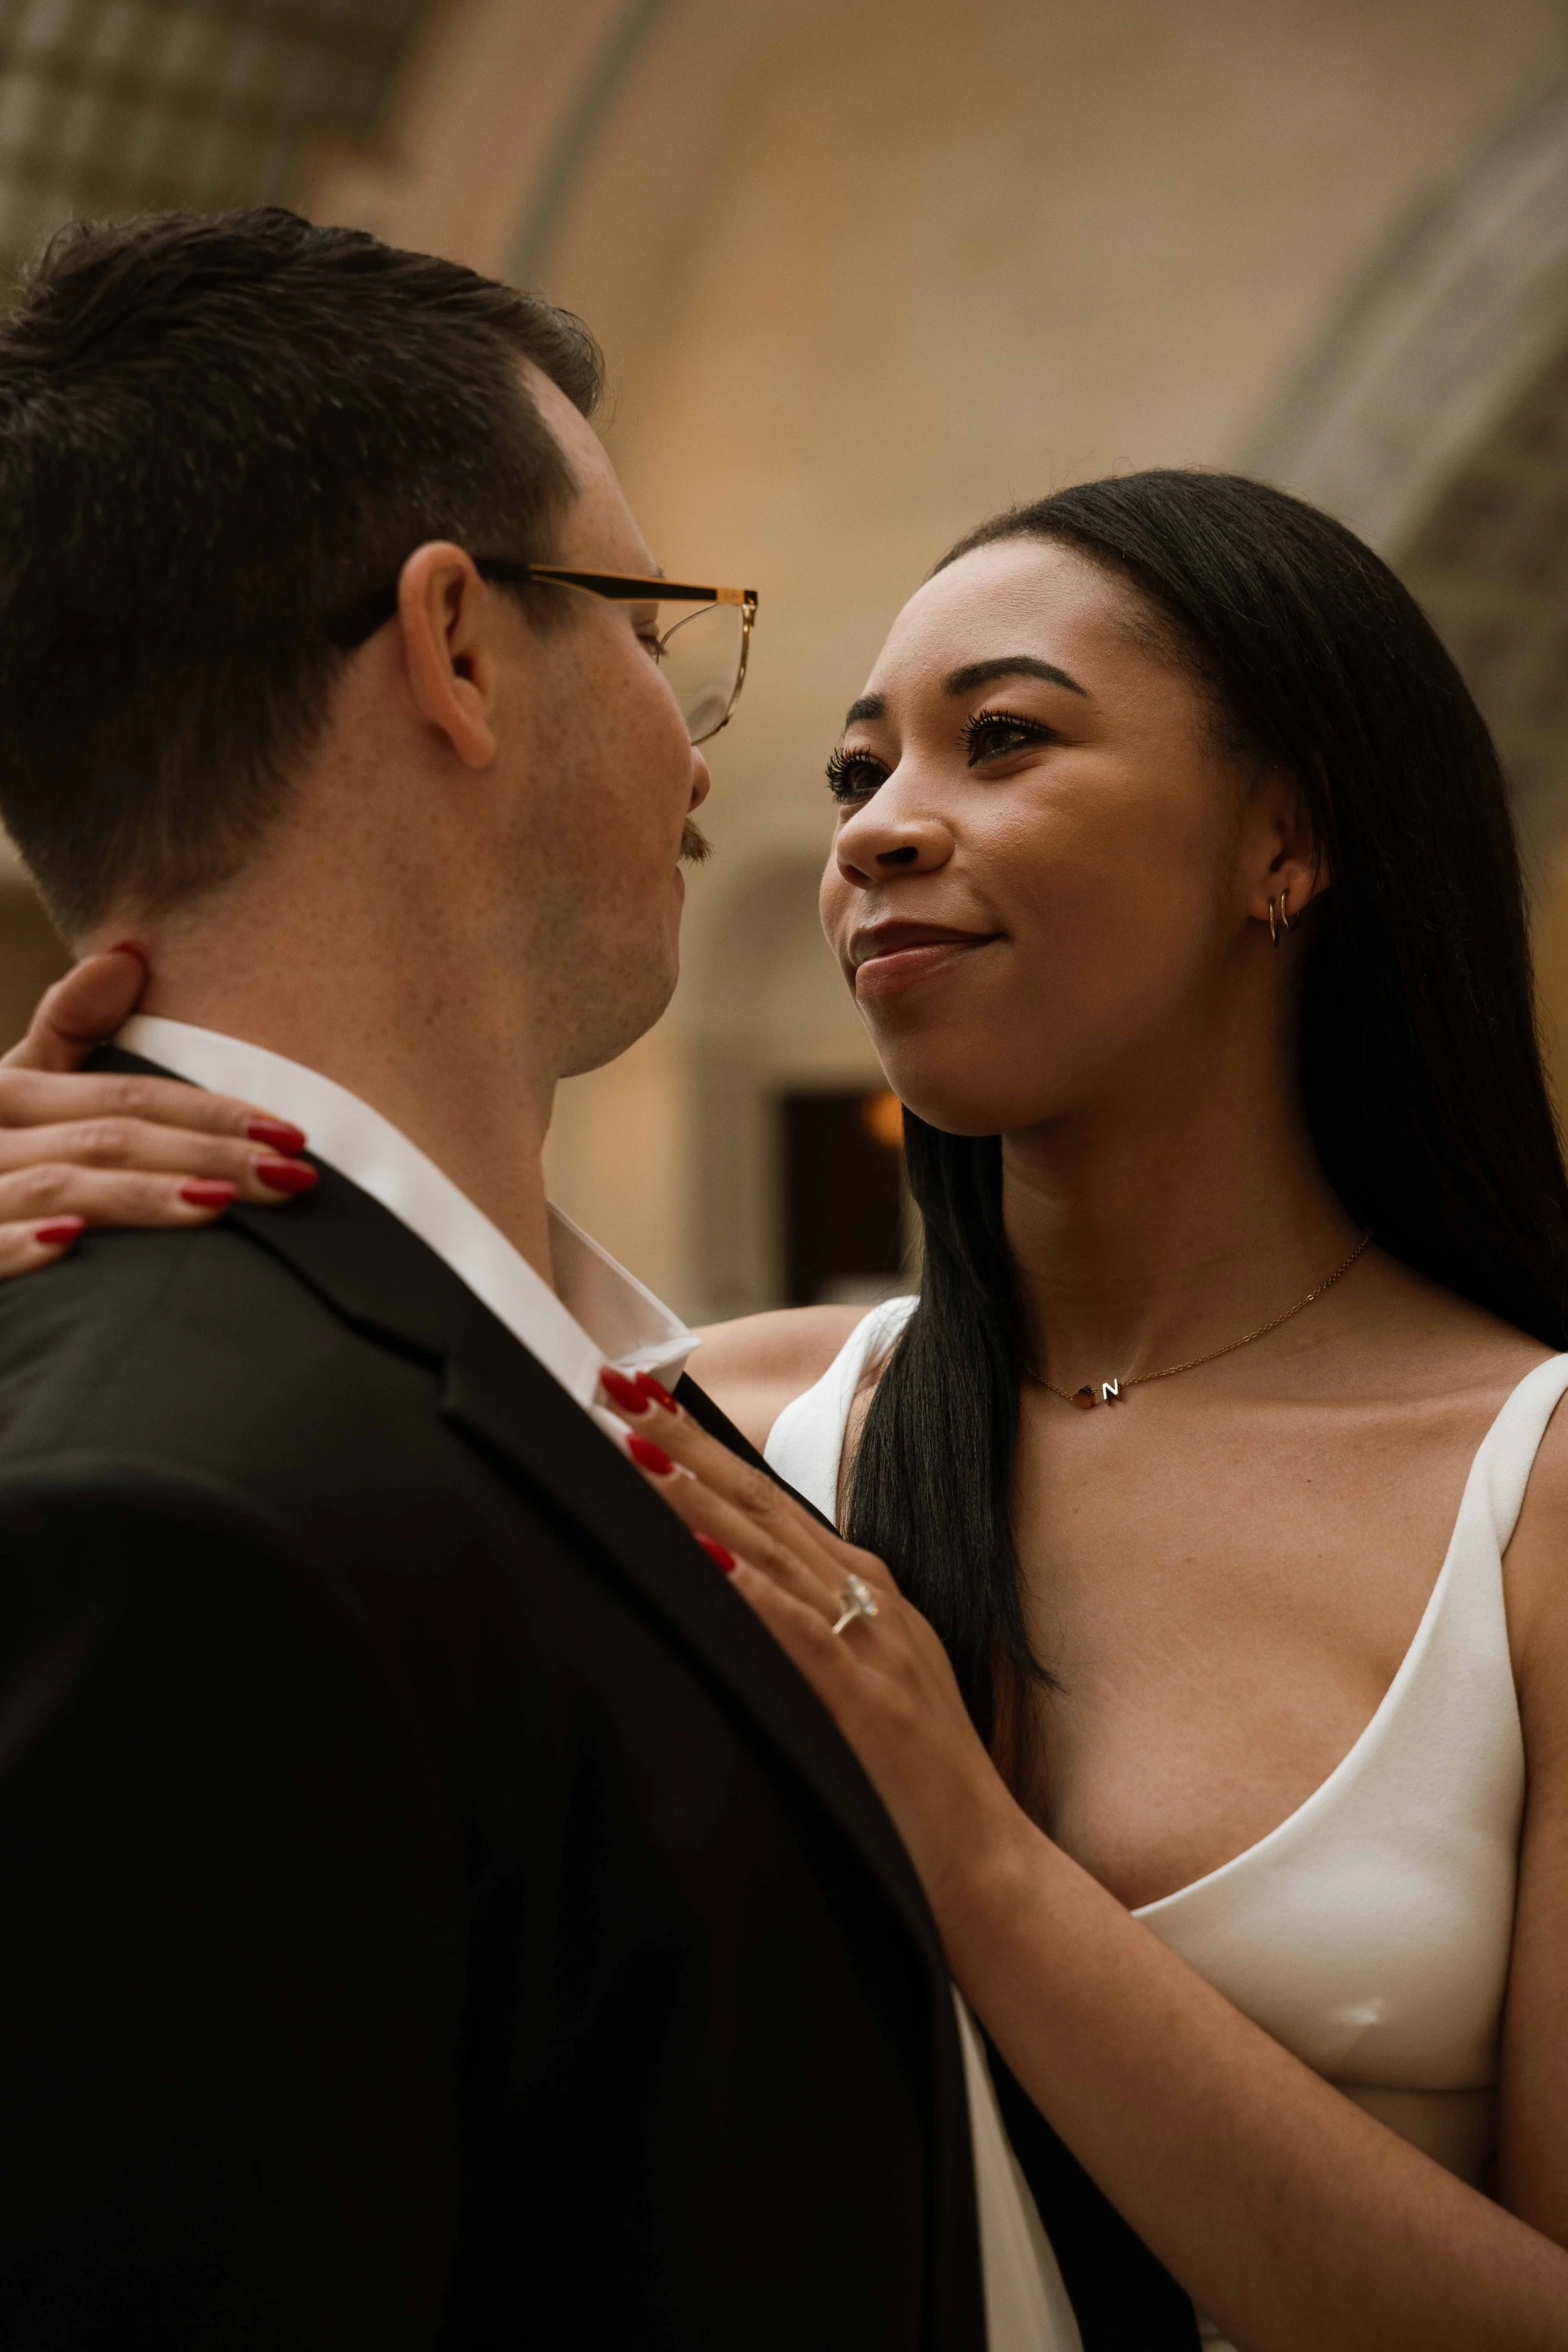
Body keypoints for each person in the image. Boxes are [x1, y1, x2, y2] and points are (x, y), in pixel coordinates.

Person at [0, 208, 1202, 2352]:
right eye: (650, 630)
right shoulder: (170, 1509)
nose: (700, 761)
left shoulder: (548, 1372)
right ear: (455, 648)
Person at [577, 471, 1568, 2351]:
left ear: (1286, 837)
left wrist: (974, 1862)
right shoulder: (719, 1431)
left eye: (1000, 737)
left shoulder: (1533, 1495)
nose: (878, 831)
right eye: (855, 774)